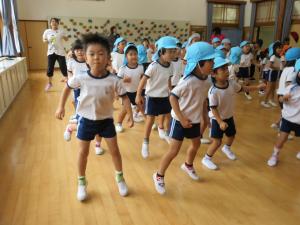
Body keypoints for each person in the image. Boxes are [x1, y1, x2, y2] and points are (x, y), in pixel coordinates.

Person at [55, 33, 133, 201]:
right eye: (91, 54)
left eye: (101, 53)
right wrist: (60, 106)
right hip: (86, 120)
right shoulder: (81, 77)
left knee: (115, 151)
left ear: (107, 57)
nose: (96, 57)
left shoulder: (113, 80)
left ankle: (120, 177)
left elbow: (125, 97)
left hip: (106, 121)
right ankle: (81, 182)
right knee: (83, 152)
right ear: (85, 57)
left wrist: (130, 115)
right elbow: (67, 87)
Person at [153, 42, 215, 194]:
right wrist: (180, 118)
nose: (213, 64)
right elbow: (172, 97)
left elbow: (202, 99)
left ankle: (188, 165)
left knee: (196, 144)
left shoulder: (206, 80)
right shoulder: (187, 81)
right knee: (173, 151)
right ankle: (159, 175)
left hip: (194, 120)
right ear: (199, 64)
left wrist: (205, 117)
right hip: (179, 121)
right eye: (210, 61)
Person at [201, 57, 265, 170]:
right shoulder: (213, 91)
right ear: (214, 74)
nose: (227, 71)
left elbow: (243, 88)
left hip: (229, 116)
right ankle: (207, 158)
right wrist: (220, 121)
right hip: (217, 119)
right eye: (223, 70)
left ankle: (227, 148)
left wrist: (257, 87)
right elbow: (213, 108)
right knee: (217, 142)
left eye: (227, 68)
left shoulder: (231, 83)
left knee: (232, 135)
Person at [136, 36, 177, 159]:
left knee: (168, 116)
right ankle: (145, 142)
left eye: (174, 51)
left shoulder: (170, 66)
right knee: (150, 120)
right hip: (152, 97)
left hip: (165, 96)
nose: (172, 54)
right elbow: (143, 80)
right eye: (170, 52)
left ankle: (164, 132)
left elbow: (168, 80)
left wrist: (171, 92)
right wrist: (138, 94)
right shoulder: (153, 66)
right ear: (161, 52)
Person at [267, 58, 300, 167]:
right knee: (282, 138)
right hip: (288, 119)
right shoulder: (291, 88)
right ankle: (274, 155)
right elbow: (280, 99)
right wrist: (284, 98)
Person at [115, 43, 145, 132]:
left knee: (141, 105)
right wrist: (124, 80)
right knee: (125, 110)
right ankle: (119, 123)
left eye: (135, 54)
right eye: (130, 54)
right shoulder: (123, 68)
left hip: (137, 91)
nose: (133, 56)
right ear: (126, 56)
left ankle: (135, 114)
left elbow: (142, 78)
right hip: (127, 93)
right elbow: (117, 81)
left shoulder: (140, 66)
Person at [42, 17, 68, 91]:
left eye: (55, 21)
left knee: (63, 67)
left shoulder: (61, 31)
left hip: (60, 52)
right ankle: (50, 83)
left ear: (58, 23)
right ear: (50, 23)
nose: (54, 23)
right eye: (52, 21)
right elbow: (43, 40)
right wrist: (46, 41)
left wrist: (65, 37)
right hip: (51, 51)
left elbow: (66, 39)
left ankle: (68, 82)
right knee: (50, 68)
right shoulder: (47, 31)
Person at [261, 41, 282, 108]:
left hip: (276, 73)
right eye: (278, 48)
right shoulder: (273, 56)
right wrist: (277, 68)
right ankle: (264, 101)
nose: (279, 49)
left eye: (280, 48)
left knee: (273, 88)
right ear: (275, 48)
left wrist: (278, 69)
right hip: (271, 73)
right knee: (269, 88)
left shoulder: (279, 56)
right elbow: (270, 65)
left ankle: (271, 100)